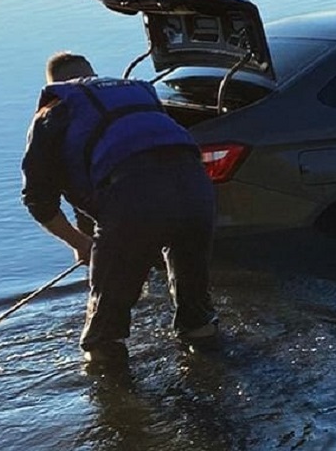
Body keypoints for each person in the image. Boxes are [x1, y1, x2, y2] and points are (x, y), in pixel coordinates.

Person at [20, 51, 218, 362]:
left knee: (104, 335)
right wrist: (90, 240)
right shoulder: (136, 95)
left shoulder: (54, 111)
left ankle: (111, 391)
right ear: (91, 74)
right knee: (197, 316)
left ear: (54, 84)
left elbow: (38, 199)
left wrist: (80, 243)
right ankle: (208, 368)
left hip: (133, 199)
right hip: (197, 190)